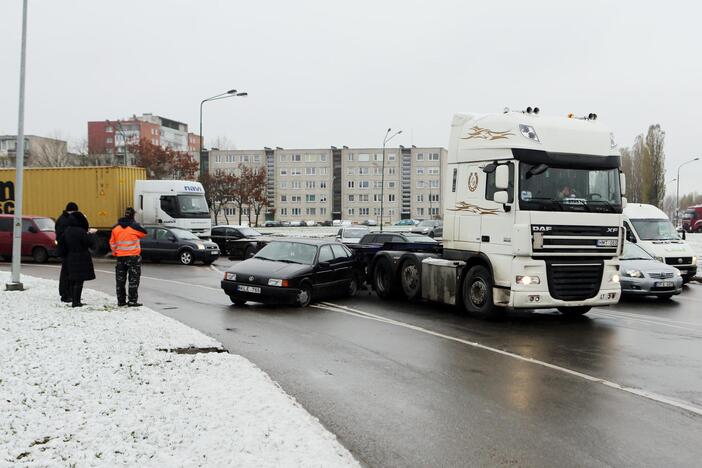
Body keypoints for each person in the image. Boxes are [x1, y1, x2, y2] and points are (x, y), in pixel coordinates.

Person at [109, 207, 147, 307]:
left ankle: (121, 301)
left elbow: (112, 242)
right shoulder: (135, 226)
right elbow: (144, 233)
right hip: (133, 257)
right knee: (133, 279)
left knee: (120, 280)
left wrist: (115, 253)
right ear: (133, 215)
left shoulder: (115, 228)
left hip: (120, 257)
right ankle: (132, 301)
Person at [62, 211, 95, 307]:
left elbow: (62, 244)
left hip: (70, 256)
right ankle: (76, 302)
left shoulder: (67, 230)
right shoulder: (81, 231)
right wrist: (90, 234)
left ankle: (74, 299)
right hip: (81, 256)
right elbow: (89, 243)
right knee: (79, 281)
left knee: (73, 279)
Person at [55, 202, 86, 302]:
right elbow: (65, 237)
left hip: (66, 250)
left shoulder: (62, 219)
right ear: (73, 211)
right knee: (67, 273)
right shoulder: (65, 221)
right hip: (67, 250)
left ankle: (70, 294)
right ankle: (66, 294)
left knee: (68, 272)